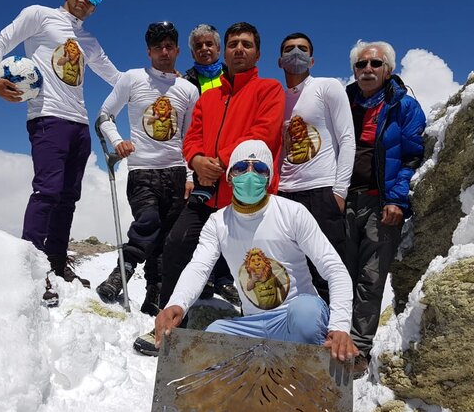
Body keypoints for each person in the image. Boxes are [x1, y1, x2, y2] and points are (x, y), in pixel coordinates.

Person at [133, 22, 286, 356]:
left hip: (249, 200)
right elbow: (192, 136)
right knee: (176, 246)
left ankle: (264, 341)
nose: (239, 49)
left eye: (246, 44)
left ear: (257, 52)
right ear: (225, 51)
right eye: (233, 44)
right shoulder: (208, 98)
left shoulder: (269, 90)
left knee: (255, 265)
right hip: (206, 195)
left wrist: (217, 161)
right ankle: (171, 329)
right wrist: (196, 159)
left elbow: (264, 135)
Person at [0, 0, 121, 305]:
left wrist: (154, 81)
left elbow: (117, 78)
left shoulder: (89, 42)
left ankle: (57, 264)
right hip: (47, 119)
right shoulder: (39, 15)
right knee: (47, 192)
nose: (86, 1)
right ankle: (31, 272)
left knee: (68, 198)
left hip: (79, 125)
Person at [153, 140, 358, 364]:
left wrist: (339, 326)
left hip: (296, 319)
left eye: (259, 168)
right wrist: (177, 303)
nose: (250, 174)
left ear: (268, 178)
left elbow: (334, 268)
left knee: (305, 312)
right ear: (230, 176)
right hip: (253, 323)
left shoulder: (292, 213)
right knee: (213, 335)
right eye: (241, 167)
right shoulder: (217, 222)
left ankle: (312, 373)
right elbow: (199, 267)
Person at [95, 22, 199, 316]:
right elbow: (104, 116)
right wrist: (117, 142)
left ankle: (155, 292)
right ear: (148, 51)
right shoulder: (131, 79)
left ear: (177, 50)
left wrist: (190, 176)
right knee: (148, 222)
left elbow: (191, 137)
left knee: (167, 238)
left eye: (169, 46)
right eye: (157, 47)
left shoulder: (189, 90)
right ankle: (121, 274)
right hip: (143, 169)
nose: (164, 52)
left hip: (177, 172)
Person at [345, 40, 425, 375]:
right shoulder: (344, 101)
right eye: (361, 65)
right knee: (338, 273)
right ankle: (333, 336)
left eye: (375, 64)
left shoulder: (403, 106)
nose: (367, 70)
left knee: (371, 277)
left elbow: (411, 156)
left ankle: (358, 348)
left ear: (388, 70)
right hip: (344, 199)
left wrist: (396, 199)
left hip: (381, 203)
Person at [277, 32, 355, 303]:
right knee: (291, 271)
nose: (295, 53)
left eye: (302, 49)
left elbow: (347, 138)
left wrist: (340, 192)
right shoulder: (277, 98)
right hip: (285, 193)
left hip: (321, 190)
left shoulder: (327, 86)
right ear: (279, 61)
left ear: (312, 60)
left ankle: (333, 336)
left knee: (326, 269)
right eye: (289, 49)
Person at [182, 24, 238, 305]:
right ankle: (203, 280)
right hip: (198, 162)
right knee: (202, 224)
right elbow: (185, 128)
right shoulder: (185, 82)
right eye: (199, 46)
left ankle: (225, 279)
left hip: (229, 162)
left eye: (209, 45)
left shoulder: (235, 78)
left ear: (218, 49)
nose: (205, 49)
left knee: (229, 222)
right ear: (193, 52)